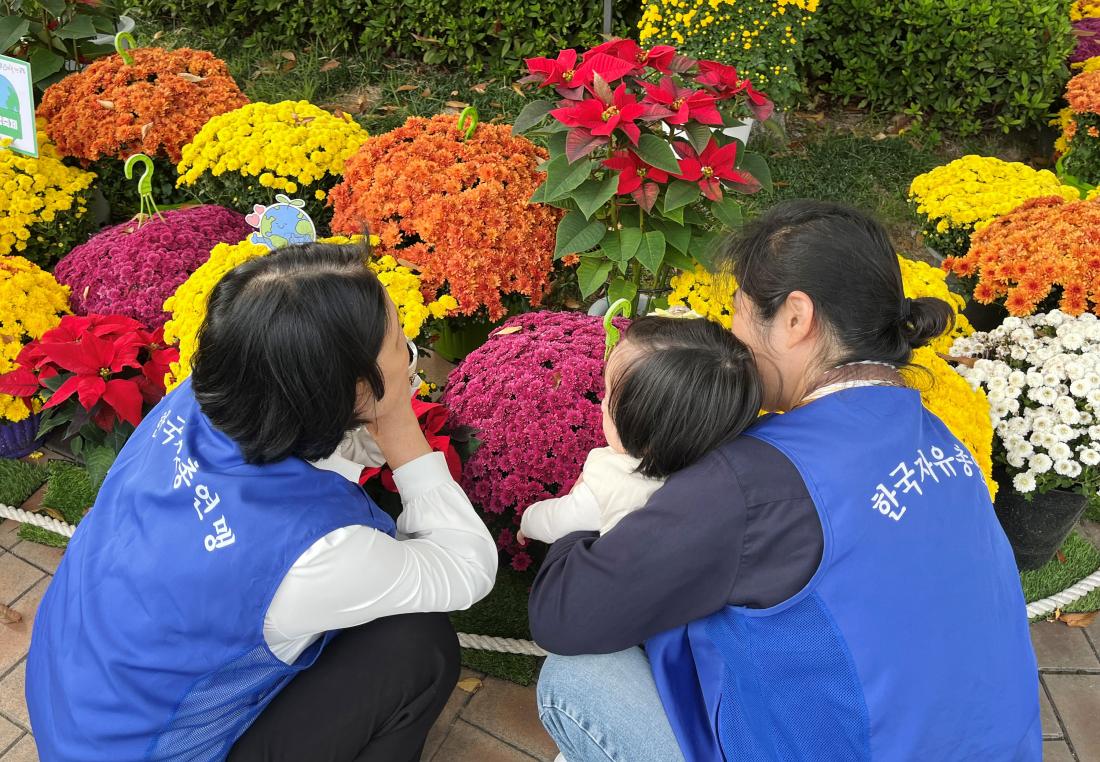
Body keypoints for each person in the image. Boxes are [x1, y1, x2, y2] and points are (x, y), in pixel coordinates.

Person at [528, 200, 1040, 761]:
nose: (732, 332)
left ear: (796, 318)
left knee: (575, 679)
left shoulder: (758, 480)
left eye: (739, 310)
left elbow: (566, 615)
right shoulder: (939, 437)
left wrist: (600, 498)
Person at [26, 242, 498, 761]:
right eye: (398, 345)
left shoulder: (202, 396)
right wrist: (400, 426)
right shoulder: (318, 551)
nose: (409, 355)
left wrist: (366, 406)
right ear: (347, 387)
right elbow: (466, 568)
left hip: (76, 709)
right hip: (147, 752)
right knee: (417, 647)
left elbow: (312, 450)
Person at [518, 316, 761, 545]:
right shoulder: (719, 469)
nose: (602, 404)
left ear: (642, 431)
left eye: (609, 396)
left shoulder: (613, 485)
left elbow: (555, 521)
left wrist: (528, 521)